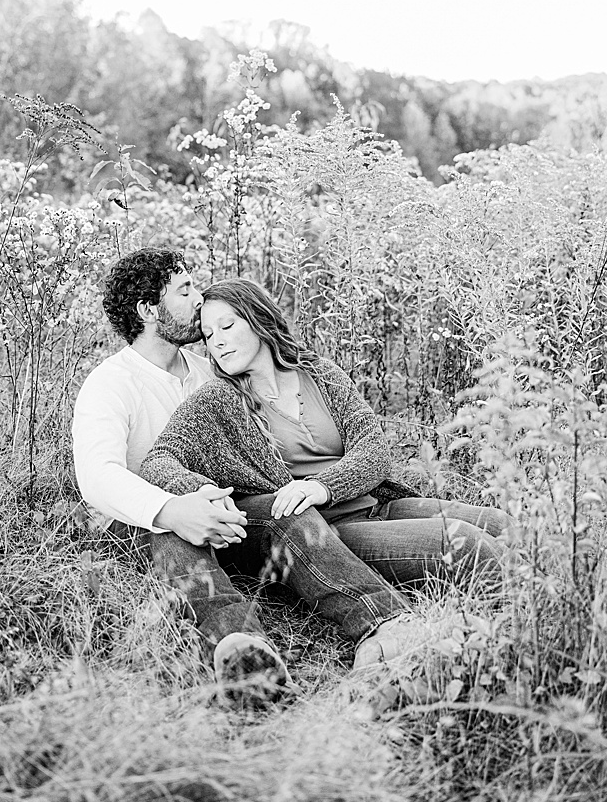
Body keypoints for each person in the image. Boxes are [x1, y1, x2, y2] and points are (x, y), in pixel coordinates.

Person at [72, 249, 435, 703]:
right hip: (146, 526)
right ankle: (244, 654)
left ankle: (383, 623)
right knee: (169, 532)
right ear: (148, 310)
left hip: (228, 516)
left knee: (283, 512)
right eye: (184, 291)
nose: (199, 299)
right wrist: (172, 508)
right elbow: (98, 475)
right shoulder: (111, 383)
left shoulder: (211, 372)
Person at [139, 278, 509, 616]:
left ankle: (541, 603)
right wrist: (200, 490)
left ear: (258, 319)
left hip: (377, 503)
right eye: (207, 335)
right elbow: (159, 459)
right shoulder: (217, 400)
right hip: (329, 533)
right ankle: (520, 622)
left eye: (227, 326)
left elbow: (373, 447)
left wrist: (322, 486)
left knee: (500, 524)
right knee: (466, 543)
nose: (217, 341)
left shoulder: (318, 372)